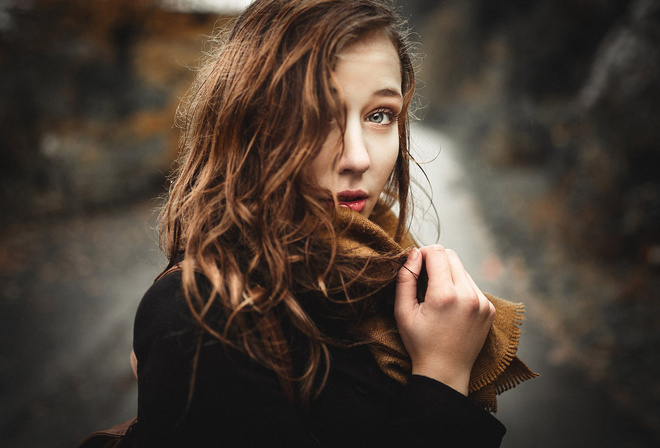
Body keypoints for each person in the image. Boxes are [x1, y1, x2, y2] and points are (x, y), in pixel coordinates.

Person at [131, 0, 535, 446]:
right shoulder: (201, 313)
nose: (358, 158)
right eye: (319, 117)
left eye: (380, 115)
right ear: (251, 125)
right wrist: (442, 376)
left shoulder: (380, 270)